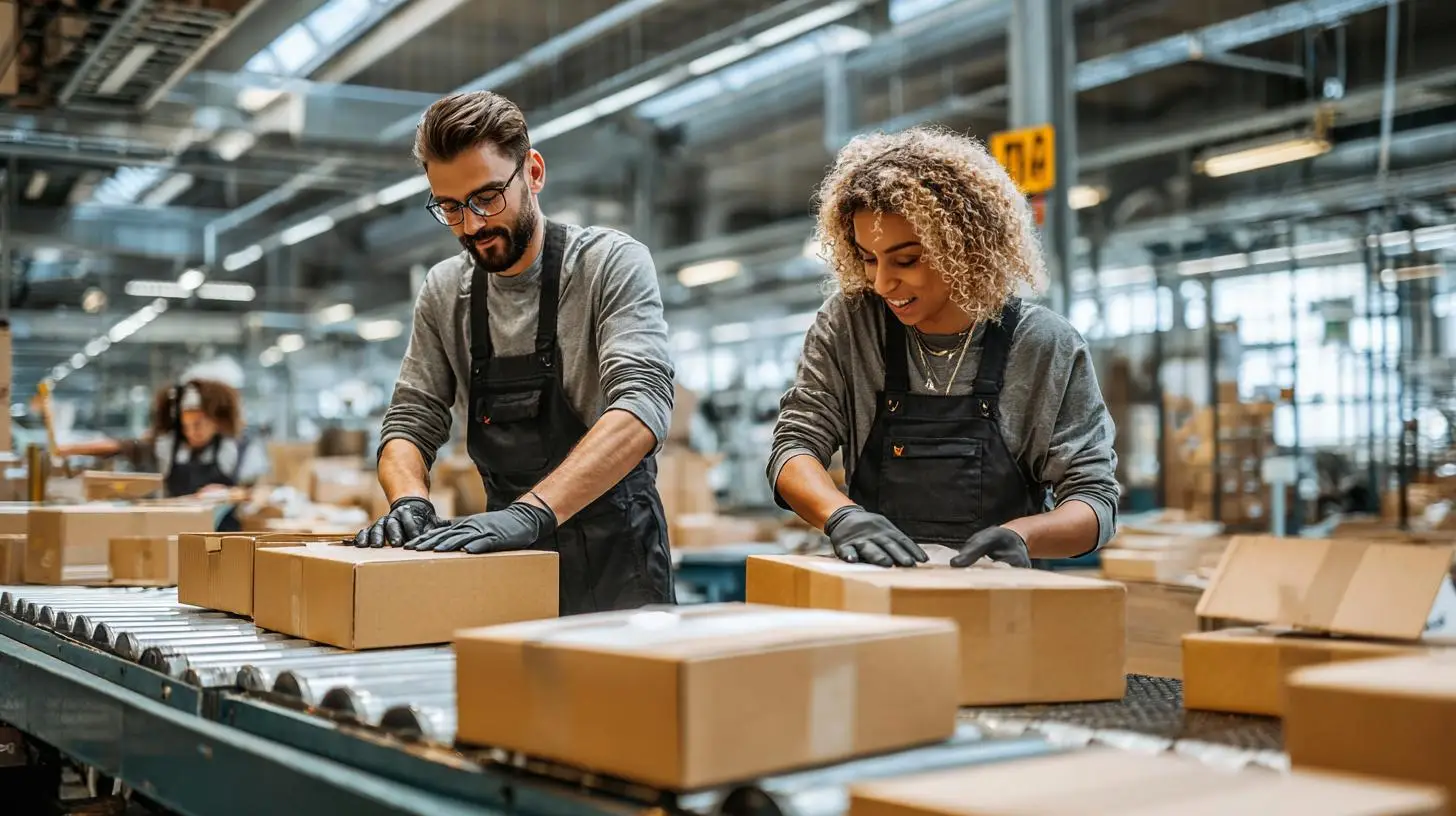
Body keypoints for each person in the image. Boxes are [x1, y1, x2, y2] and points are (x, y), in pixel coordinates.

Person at [354, 90, 677, 616]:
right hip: (506, 562)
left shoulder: (608, 264)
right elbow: (411, 420)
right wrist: (409, 498)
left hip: (621, 570)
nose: (473, 225)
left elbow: (642, 407)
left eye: (487, 197)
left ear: (533, 172)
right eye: (452, 207)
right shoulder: (444, 291)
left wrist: (532, 513)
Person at [768, 127, 1119, 569]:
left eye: (906, 260)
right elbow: (794, 446)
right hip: (876, 598)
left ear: (965, 248)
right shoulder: (851, 326)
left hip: (998, 604)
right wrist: (841, 515)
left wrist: (1023, 536)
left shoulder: (1043, 345)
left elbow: (1094, 498)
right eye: (868, 258)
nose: (881, 282)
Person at [57, 379, 267, 529]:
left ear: (216, 422)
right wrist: (69, 449)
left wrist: (229, 494)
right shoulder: (167, 448)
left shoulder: (236, 449)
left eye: (199, 424)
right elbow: (120, 446)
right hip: (176, 531)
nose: (193, 431)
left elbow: (259, 491)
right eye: (187, 426)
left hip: (224, 537)